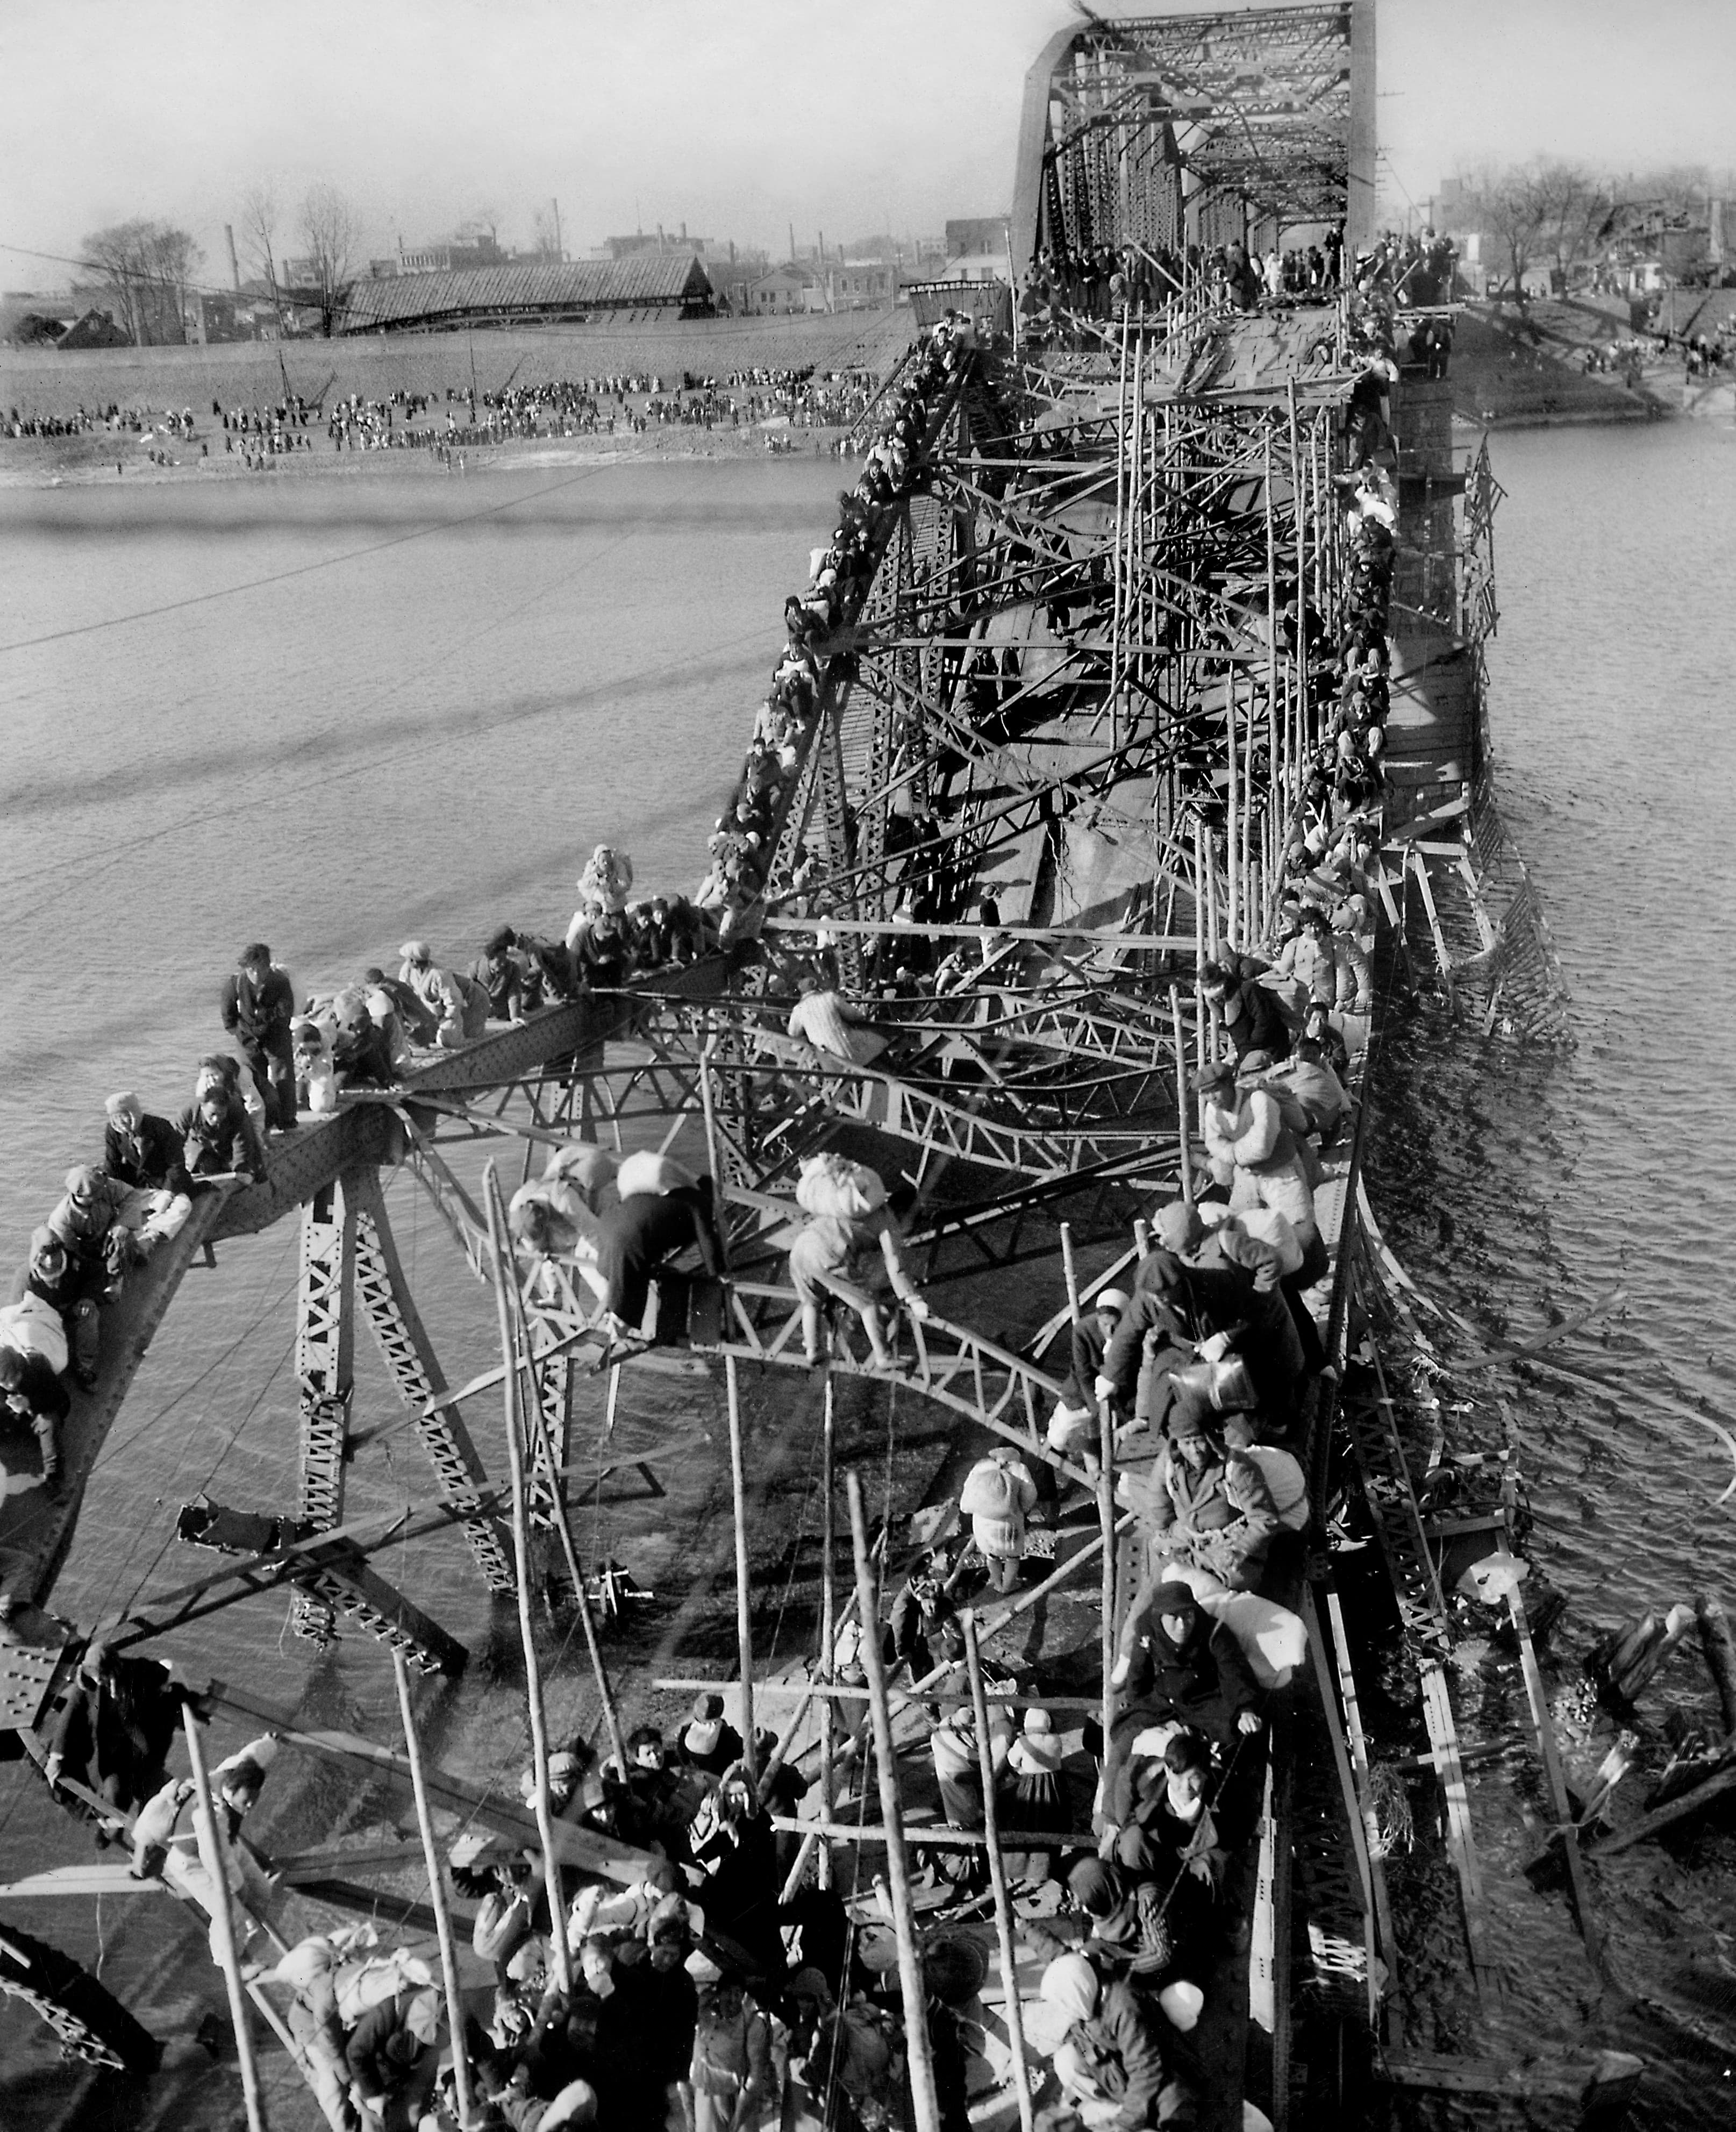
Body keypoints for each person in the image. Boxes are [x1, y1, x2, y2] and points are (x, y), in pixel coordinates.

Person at [788, 1157, 927, 1368]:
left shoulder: (855, 1206)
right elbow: (895, 1265)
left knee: (811, 1302)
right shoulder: (887, 1222)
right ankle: (884, 1357)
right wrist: (913, 1298)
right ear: (904, 1214)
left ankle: (813, 1350)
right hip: (827, 1254)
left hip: (801, 1247)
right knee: (868, 1304)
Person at [1127, 1401, 1278, 1593]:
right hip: (1186, 1543)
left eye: (1199, 1441)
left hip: (1227, 1548)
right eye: (1187, 1443)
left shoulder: (1239, 1469)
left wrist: (1241, 1549)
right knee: (1158, 1588)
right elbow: (1158, 1501)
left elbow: (1265, 1518)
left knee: (1222, 1591)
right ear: (1177, 1443)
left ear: (1211, 1438)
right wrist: (1167, 1532)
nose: (1195, 1451)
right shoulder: (1169, 1463)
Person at [1038, 1950, 1188, 2130]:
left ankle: (1136, 2115)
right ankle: (1122, 2110)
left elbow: (1145, 2067)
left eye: (1063, 2003)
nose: (1064, 2010)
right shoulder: (1087, 1998)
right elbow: (1081, 2042)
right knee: (1067, 2059)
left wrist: (1125, 2123)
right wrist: (1088, 2057)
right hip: (1123, 2070)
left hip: (1164, 2073)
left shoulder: (1126, 2008)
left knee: (1171, 2111)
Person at [1112, 1580, 1262, 1753]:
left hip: (1203, 1702)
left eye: (1188, 1615)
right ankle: (1172, 1734)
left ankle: (1188, 1737)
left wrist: (1245, 1710)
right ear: (1160, 1616)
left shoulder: (1214, 1632)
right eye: (1174, 1617)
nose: (1182, 1625)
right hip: (1164, 1701)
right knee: (1123, 1729)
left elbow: (1234, 1672)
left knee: (1236, 1731)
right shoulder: (1147, 1628)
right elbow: (1138, 1671)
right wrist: (1136, 1705)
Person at [592, 1169, 724, 1336]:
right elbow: (707, 1240)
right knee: (630, 1298)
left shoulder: (668, 1194)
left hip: (608, 1231)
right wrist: (717, 1273)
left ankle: (618, 1323)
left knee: (633, 1284)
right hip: (629, 1244)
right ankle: (619, 1329)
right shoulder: (699, 1201)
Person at [1196, 1060, 1317, 1237]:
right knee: (1240, 1229)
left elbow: (1261, 1147)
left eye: (1215, 1090)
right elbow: (1213, 1143)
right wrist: (1234, 1154)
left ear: (1230, 1084)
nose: (1211, 1098)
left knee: (1302, 1232)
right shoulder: (1213, 1111)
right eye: (1205, 1093)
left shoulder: (1259, 1100)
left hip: (1281, 1172)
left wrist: (1231, 1154)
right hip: (1247, 1175)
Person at [100, 1093, 194, 1256]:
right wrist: (114, 1193)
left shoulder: (160, 1127)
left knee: (183, 1205)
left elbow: (176, 1164)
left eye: (124, 1116)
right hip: (136, 1188)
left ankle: (151, 1237)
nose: (122, 1122)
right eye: (116, 1117)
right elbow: (112, 1165)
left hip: (163, 1185)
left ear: (134, 1112)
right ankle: (118, 1245)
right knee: (120, 1212)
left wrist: (168, 1193)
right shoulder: (113, 1132)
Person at [12, 1227, 103, 1388]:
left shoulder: (74, 1262)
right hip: (44, 1321)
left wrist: (88, 1297)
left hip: (71, 1311)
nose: (50, 1261)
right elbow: (15, 1314)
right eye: (45, 1255)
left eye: (54, 1255)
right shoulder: (25, 1278)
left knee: (90, 1313)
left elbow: (97, 1273)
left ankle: (84, 1364)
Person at [345, 1982, 442, 2131]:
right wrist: (373, 2095)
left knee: (414, 2118)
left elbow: (477, 2045)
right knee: (375, 2122)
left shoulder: (449, 2012)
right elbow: (356, 2052)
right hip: (378, 2074)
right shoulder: (386, 2014)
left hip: (416, 2073)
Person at [220, 943, 297, 1131]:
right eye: (251, 970)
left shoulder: (280, 982)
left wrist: (266, 1023)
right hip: (247, 1039)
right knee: (253, 1079)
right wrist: (241, 1033)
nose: (256, 974)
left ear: (269, 967)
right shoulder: (235, 985)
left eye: (261, 969)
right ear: (245, 969)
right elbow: (228, 1015)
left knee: (283, 1075)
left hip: (276, 1035)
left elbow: (285, 1012)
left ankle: (286, 1119)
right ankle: (262, 1123)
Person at [1047, 1288, 1132, 1454]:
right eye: (1104, 1324)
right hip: (1084, 1395)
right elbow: (1083, 1372)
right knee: (1058, 1440)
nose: (1109, 1331)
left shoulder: (1132, 1331)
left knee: (1116, 1446)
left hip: (1120, 1397)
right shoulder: (1083, 1330)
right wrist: (1096, 1408)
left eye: (1114, 1325)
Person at [958, 1449, 1038, 1593]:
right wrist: (1023, 1509)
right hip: (1010, 1523)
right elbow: (1030, 1495)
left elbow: (967, 1497)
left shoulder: (980, 1467)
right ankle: (1008, 1586)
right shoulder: (1019, 1469)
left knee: (991, 1556)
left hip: (982, 1522)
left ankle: (997, 1583)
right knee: (1013, 1557)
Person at [0, 1343, 69, 1494]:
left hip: (37, 1418)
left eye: (9, 1378)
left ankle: (54, 1477)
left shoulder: (36, 1365)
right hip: (11, 1421)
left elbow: (62, 1401)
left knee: (48, 1421)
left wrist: (29, 1403)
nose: (7, 1385)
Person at [397, 940, 489, 1049]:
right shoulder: (408, 970)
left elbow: (454, 1002)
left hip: (475, 1001)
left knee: (447, 1039)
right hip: (438, 1009)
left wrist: (445, 1019)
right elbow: (405, 993)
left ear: (414, 961)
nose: (406, 962)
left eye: (408, 959)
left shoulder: (440, 974)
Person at [1199, 958, 1290, 1064]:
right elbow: (1225, 1018)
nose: (1217, 1000)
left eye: (1216, 997)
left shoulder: (1247, 989)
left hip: (1268, 1052)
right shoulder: (1228, 999)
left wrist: (1252, 1046)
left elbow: (1265, 1019)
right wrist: (1210, 1001)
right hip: (1251, 1054)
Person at [787, 975, 888, 1066]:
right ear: (817, 987)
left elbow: (793, 1033)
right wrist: (865, 1003)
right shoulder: (830, 997)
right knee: (880, 1041)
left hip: (830, 1062)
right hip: (848, 1050)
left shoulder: (798, 1010)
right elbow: (855, 1015)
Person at [177, 1085, 268, 1184]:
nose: (216, 1119)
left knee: (249, 1172)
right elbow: (176, 1140)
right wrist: (176, 1169)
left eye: (221, 1114)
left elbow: (243, 1141)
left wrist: (241, 1170)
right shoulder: (189, 1111)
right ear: (203, 1106)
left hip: (229, 1144)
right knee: (205, 1168)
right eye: (212, 1114)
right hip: (202, 1143)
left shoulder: (237, 1111)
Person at [675, 1692, 745, 1779]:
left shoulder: (686, 1730)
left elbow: (682, 1758)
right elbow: (740, 1752)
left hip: (698, 1779)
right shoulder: (724, 1733)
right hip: (722, 1780)